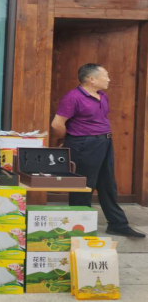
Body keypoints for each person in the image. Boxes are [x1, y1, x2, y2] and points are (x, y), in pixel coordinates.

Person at [51, 63, 145, 238]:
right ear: (91, 79)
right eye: (105, 75)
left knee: (108, 184)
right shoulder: (72, 97)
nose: (108, 79)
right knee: (83, 185)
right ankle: (79, 228)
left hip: (104, 142)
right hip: (84, 144)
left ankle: (117, 224)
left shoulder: (102, 96)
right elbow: (57, 124)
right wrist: (69, 139)